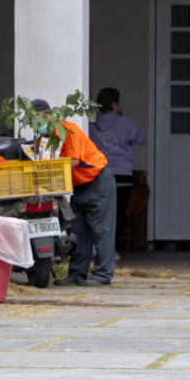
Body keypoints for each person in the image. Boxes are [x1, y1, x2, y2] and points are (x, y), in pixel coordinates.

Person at [31, 99, 117, 287]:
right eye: (30, 121)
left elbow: (73, 162)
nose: (34, 125)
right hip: (78, 186)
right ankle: (77, 274)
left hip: (98, 181)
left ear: (47, 115)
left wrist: (47, 171)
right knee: (77, 231)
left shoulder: (69, 130)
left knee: (102, 231)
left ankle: (103, 275)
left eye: (36, 120)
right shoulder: (42, 139)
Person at [88, 87, 146, 251]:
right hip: (122, 175)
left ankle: (96, 249)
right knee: (119, 214)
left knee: (99, 213)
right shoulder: (124, 123)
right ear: (114, 103)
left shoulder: (91, 123)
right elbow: (141, 139)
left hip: (98, 174)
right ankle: (112, 250)